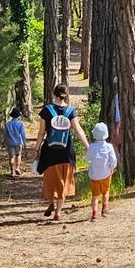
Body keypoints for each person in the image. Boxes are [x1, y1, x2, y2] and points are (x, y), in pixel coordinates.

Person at [35, 84, 86, 222]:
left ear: (54, 94)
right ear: (66, 95)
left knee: (50, 180)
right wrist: (87, 146)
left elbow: (41, 132)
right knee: (64, 182)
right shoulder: (70, 111)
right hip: (66, 152)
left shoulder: (47, 110)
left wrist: (37, 148)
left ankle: (51, 202)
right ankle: (58, 213)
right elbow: (78, 129)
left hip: (49, 153)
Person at [85, 122, 118, 221]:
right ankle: (104, 209)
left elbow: (87, 159)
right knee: (106, 191)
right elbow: (113, 160)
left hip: (94, 175)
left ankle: (94, 214)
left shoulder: (91, 146)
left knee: (95, 195)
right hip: (106, 174)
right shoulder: (109, 147)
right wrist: (112, 167)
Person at [3, 105, 27, 178]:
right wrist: (25, 144)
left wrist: (4, 141)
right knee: (18, 155)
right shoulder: (20, 124)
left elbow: (5, 134)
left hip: (10, 142)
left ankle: (12, 172)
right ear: (18, 116)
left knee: (11, 157)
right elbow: (23, 134)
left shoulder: (7, 124)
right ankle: (17, 168)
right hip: (18, 142)